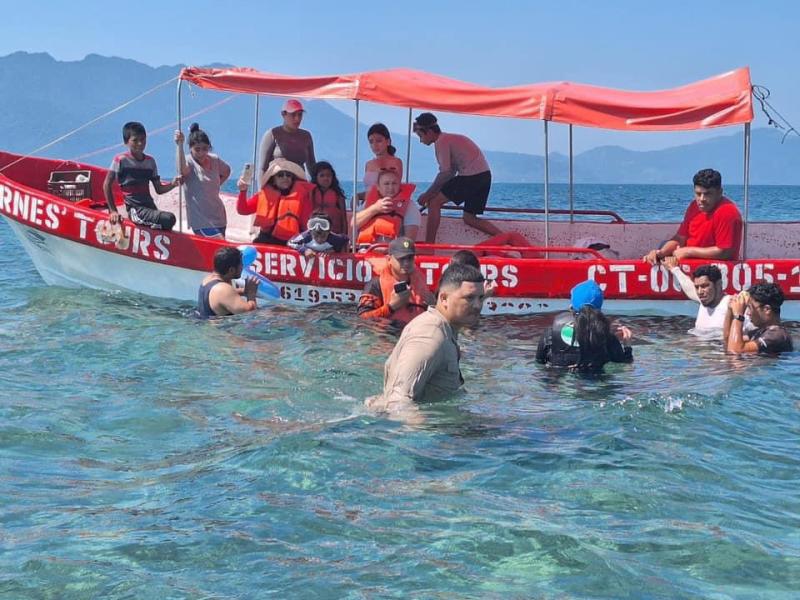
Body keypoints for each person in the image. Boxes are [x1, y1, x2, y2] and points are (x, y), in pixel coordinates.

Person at [365, 263, 486, 423]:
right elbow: (398, 402)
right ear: (444, 298)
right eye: (469, 298)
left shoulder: (446, 330)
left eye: (481, 297)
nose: (478, 305)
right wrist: (431, 442)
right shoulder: (430, 336)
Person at [413, 112, 502, 243]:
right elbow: (451, 172)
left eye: (420, 136)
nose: (421, 140)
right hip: (485, 176)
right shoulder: (450, 139)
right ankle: (505, 238)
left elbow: (446, 173)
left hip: (471, 177)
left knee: (434, 203)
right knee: (469, 218)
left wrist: (427, 195)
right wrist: (434, 192)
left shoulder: (441, 141)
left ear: (429, 132)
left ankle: (429, 246)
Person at [642, 169, 743, 264]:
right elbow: (680, 238)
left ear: (719, 192)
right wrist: (660, 252)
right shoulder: (694, 206)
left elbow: (726, 252)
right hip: (688, 263)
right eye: (698, 194)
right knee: (663, 246)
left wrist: (688, 252)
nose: (702, 199)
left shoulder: (727, 212)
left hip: (713, 271)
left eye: (707, 194)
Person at [536, 279, 633, 372]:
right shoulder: (607, 337)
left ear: (571, 306)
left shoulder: (551, 332)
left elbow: (539, 363)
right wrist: (627, 345)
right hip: (597, 386)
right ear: (599, 309)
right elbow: (624, 365)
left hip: (561, 385)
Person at [104, 121, 179, 230]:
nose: (140, 143)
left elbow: (158, 189)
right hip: (136, 210)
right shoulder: (120, 160)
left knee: (168, 222)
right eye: (135, 140)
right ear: (126, 142)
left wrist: (173, 184)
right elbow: (106, 185)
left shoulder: (150, 162)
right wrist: (113, 211)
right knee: (169, 219)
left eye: (143, 139)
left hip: (149, 207)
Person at [358, 237, 435, 326]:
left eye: (409, 258)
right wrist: (391, 307)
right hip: (388, 334)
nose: (406, 263)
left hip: (417, 332)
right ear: (389, 259)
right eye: (401, 259)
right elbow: (363, 318)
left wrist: (431, 303)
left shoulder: (421, 282)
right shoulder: (375, 285)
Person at [237, 158, 313, 245]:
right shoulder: (264, 195)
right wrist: (243, 191)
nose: (285, 178)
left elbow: (307, 226)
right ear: (273, 179)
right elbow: (243, 210)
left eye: (288, 175)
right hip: (266, 239)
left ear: (292, 179)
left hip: (293, 242)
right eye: (280, 175)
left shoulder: (302, 197)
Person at [174, 122, 231, 238]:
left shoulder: (214, 160)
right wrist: (179, 145)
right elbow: (181, 169)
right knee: (219, 245)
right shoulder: (189, 162)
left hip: (218, 216)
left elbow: (227, 171)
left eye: (205, 149)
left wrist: (215, 186)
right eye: (197, 149)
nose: (201, 153)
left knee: (219, 254)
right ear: (190, 149)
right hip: (200, 220)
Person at [663, 257, 732, 334]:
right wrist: (674, 269)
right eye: (697, 287)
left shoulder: (732, 305)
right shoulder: (705, 299)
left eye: (704, 286)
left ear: (718, 285)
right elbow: (687, 285)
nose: (699, 292)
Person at [257, 99, 316, 187]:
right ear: (283, 114)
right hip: (277, 187)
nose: (297, 118)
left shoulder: (306, 136)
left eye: (300, 115)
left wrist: (316, 190)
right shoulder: (272, 134)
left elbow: (312, 167)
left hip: (299, 187)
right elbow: (262, 168)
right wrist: (261, 193)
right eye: (293, 115)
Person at [724, 282, 794, 354]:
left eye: (750, 308)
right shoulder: (759, 331)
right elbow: (729, 342)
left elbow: (735, 351)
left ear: (767, 309)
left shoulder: (777, 336)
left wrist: (738, 315)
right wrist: (730, 310)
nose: (748, 313)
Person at [355, 170, 421, 246]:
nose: (391, 187)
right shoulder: (369, 204)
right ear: (378, 187)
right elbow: (354, 224)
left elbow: (409, 242)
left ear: (399, 185)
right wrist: (375, 209)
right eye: (386, 184)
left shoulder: (410, 207)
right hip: (366, 251)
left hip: (394, 254)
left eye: (394, 183)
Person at [197, 247, 259, 318]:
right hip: (219, 328)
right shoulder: (223, 289)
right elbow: (250, 315)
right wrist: (251, 295)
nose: (243, 267)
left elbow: (224, 296)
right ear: (231, 270)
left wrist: (244, 291)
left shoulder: (208, 279)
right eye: (241, 265)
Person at [310, 161, 348, 235]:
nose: (326, 178)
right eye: (322, 175)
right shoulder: (310, 193)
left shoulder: (338, 196)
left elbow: (343, 219)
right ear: (316, 177)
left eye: (328, 175)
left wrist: (344, 237)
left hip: (333, 234)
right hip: (314, 233)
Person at [364, 122, 403, 190]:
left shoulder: (396, 162)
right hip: (371, 199)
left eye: (379, 141)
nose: (375, 145)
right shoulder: (368, 164)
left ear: (388, 142)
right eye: (371, 142)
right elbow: (368, 191)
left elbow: (394, 189)